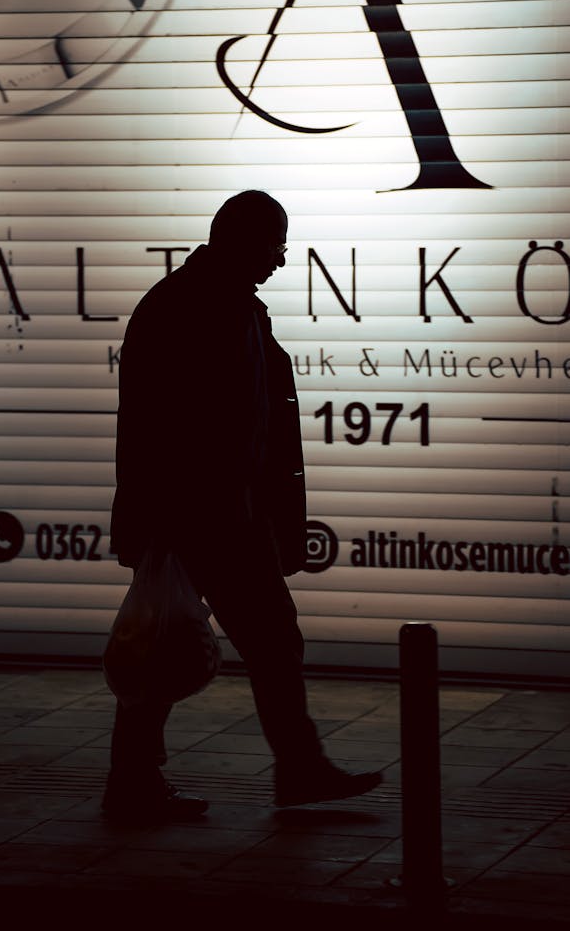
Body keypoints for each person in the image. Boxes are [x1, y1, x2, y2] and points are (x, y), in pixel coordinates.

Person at [104, 190, 382, 823]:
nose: (281, 261)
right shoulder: (200, 308)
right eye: (275, 245)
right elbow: (174, 429)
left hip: (209, 515)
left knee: (167, 642)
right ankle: (297, 768)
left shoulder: (207, 303)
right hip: (212, 517)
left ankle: (135, 782)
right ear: (242, 238)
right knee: (260, 639)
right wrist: (200, 518)